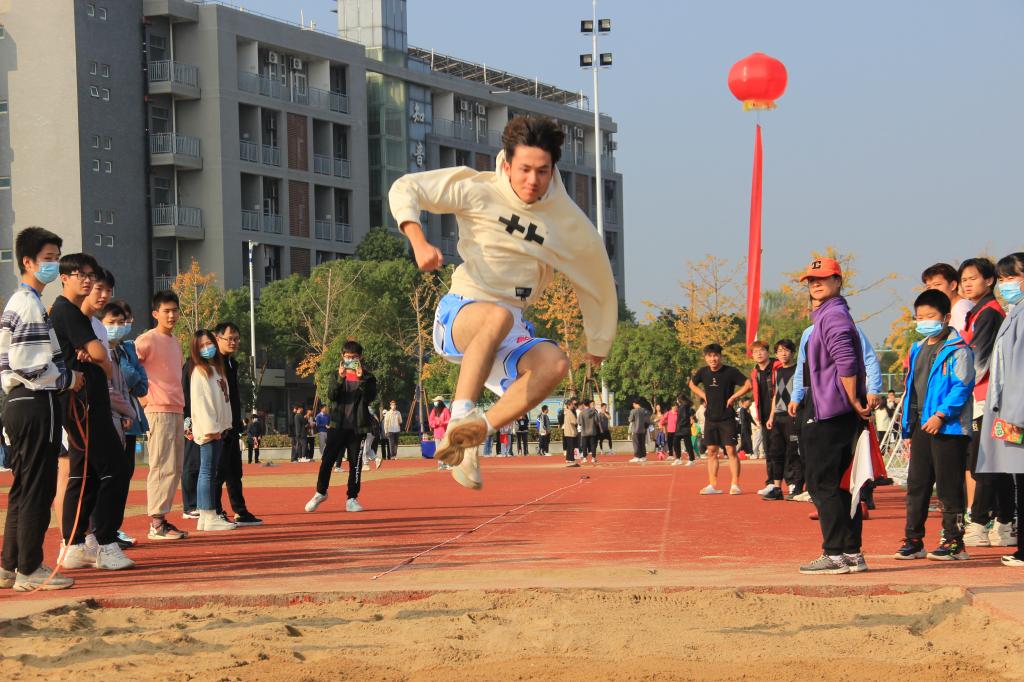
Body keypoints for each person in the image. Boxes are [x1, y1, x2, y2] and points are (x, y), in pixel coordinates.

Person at [389, 115, 616, 490]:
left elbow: (597, 276)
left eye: (542, 171)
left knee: (556, 364)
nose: (533, 181)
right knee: (496, 316)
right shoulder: (476, 189)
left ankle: (476, 433)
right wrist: (417, 240)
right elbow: (405, 187)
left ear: (553, 170)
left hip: (513, 324)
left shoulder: (567, 222)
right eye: (524, 169)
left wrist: (599, 340)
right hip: (461, 311)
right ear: (507, 165)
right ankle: (461, 416)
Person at [0, 227, 81, 591]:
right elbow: (31, 365)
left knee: (23, 487)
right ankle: (29, 568)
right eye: (48, 259)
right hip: (35, 400)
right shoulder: (29, 304)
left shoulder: (17, 302)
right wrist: (69, 379)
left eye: (57, 259)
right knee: (38, 488)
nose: (54, 265)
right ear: (28, 262)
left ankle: (10, 565)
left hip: (18, 402)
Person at [50, 254, 133, 571]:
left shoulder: (80, 317)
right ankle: (106, 542)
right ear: (65, 278)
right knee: (115, 468)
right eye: (83, 277)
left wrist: (100, 359)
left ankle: (74, 545)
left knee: (84, 474)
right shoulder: (66, 311)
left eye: (93, 278)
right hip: (81, 405)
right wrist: (100, 360)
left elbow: (102, 359)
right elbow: (101, 356)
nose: (91, 286)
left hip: (90, 402)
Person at [788, 257, 869, 575]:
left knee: (822, 483)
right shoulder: (831, 314)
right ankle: (851, 552)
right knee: (841, 484)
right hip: (835, 409)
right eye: (811, 280)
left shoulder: (833, 316)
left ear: (838, 280)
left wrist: (852, 398)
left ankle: (835, 553)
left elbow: (846, 361)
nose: (815, 284)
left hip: (830, 411)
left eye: (822, 278)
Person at [893, 289, 974, 561]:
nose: (924, 321)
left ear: (946, 318)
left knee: (949, 486)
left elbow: (962, 387)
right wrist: (909, 427)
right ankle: (914, 540)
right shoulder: (916, 348)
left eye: (931, 316)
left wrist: (941, 415)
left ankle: (954, 541)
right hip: (921, 425)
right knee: (917, 484)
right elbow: (912, 390)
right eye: (920, 317)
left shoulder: (959, 350)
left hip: (948, 427)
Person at [960, 257, 1013, 548]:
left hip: (986, 399)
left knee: (986, 461)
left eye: (973, 278)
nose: (967, 284)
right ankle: (1004, 523)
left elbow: (979, 363)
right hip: (983, 398)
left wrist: (958, 388)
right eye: (964, 280)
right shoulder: (978, 312)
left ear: (989, 280)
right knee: (995, 462)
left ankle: (980, 523)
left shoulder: (989, 313)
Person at [975, 253, 1024, 567]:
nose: (1007, 284)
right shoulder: (1014, 312)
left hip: (1018, 412)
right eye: (1003, 279)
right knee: (1019, 478)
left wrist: (1016, 415)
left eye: (1012, 277)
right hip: (1012, 409)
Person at [135, 290, 188, 540]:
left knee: (174, 467)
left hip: (176, 409)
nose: (171, 315)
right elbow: (126, 366)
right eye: (166, 311)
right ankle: (156, 524)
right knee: (161, 466)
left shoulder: (175, 343)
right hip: (157, 410)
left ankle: (161, 520)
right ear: (155, 313)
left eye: (175, 310)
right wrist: (142, 398)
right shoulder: (147, 340)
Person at [305, 341, 377, 513]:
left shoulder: (368, 377)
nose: (350, 360)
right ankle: (321, 492)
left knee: (355, 465)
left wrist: (361, 379)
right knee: (327, 460)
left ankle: (352, 498)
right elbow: (331, 396)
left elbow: (370, 398)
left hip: (357, 428)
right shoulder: (335, 374)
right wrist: (340, 378)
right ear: (342, 357)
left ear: (360, 357)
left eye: (354, 357)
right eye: (347, 357)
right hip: (337, 425)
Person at [211, 322, 261, 526]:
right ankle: (214, 510)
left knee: (234, 471)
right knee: (219, 471)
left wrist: (237, 422)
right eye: (229, 338)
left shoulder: (232, 363)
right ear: (217, 339)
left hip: (232, 424)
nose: (233, 342)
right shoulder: (212, 364)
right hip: (218, 426)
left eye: (236, 339)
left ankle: (240, 511)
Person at [99, 302, 139, 552]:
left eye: (121, 322)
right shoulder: (101, 351)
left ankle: (111, 532)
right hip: (107, 419)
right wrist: (129, 410)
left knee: (122, 476)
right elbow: (110, 389)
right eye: (111, 323)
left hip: (123, 419)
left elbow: (136, 383)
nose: (118, 327)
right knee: (107, 479)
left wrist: (127, 412)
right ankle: (100, 535)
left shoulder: (121, 351)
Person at [187, 330, 236, 532]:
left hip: (218, 427)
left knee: (209, 470)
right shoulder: (200, 371)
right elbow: (201, 403)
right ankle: (208, 514)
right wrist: (210, 428)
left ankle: (205, 517)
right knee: (207, 471)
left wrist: (224, 424)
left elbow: (223, 400)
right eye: (202, 345)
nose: (207, 348)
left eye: (209, 343)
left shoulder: (217, 369)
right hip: (209, 429)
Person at [689, 344, 751, 494]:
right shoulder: (703, 372)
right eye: (710, 356)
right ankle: (712, 485)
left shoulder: (730, 371)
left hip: (727, 417)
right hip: (710, 417)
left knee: (730, 450)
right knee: (711, 451)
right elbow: (692, 384)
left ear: (720, 356)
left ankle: (735, 484)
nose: (713, 359)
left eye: (715, 355)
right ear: (706, 358)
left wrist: (734, 396)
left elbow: (748, 384)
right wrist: (703, 395)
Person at [111, 298, 147, 547]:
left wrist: (133, 377)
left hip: (132, 420)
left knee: (125, 476)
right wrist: (132, 376)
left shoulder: (130, 348)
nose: (123, 324)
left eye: (125, 319)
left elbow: (142, 384)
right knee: (112, 477)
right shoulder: (110, 349)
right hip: (114, 418)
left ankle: (115, 528)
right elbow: (128, 375)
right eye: (116, 320)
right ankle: (106, 530)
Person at [763, 339, 800, 500]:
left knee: (793, 453)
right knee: (776, 452)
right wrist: (771, 416)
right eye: (779, 351)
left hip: (793, 416)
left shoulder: (799, 370)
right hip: (778, 417)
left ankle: (795, 486)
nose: (783, 354)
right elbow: (776, 395)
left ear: (792, 352)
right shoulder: (777, 371)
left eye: (786, 350)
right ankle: (777, 488)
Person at [922, 262, 974, 333]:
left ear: (953, 285)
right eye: (929, 287)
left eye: (937, 284)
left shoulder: (961, 308)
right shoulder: (953, 309)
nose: (932, 290)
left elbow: (965, 338)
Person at [428, 397, 452, 470]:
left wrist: (442, 423)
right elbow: (430, 422)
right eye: (434, 401)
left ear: (440, 402)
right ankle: (441, 464)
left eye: (436, 401)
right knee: (439, 450)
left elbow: (449, 420)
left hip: (445, 433)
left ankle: (448, 463)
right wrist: (436, 423)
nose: (435, 403)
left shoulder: (446, 410)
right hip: (437, 434)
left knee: (446, 449)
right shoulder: (433, 411)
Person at [628, 399, 650, 463]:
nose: (633, 405)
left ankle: (637, 456)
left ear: (636, 404)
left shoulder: (633, 411)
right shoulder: (645, 411)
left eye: (633, 404)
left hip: (636, 430)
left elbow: (630, 419)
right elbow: (648, 421)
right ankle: (643, 457)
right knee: (642, 443)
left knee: (636, 444)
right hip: (643, 430)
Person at [577, 399, 599, 464]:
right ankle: (593, 458)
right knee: (593, 445)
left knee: (584, 445)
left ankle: (585, 458)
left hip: (584, 432)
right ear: (589, 404)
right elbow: (597, 421)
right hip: (592, 431)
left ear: (584, 404)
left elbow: (579, 423)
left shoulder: (581, 413)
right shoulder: (594, 412)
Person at [563, 398, 580, 467]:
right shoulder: (570, 412)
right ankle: (571, 459)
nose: (573, 406)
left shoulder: (566, 412)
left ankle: (568, 458)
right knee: (572, 446)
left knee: (569, 446)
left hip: (567, 432)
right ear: (569, 405)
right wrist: (577, 421)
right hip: (571, 432)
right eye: (572, 404)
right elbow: (574, 422)